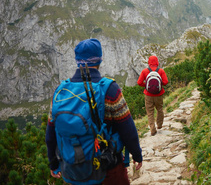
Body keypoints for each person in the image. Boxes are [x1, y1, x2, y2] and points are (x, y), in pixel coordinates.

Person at [45, 38, 143, 184]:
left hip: (73, 169)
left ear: (77, 61)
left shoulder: (60, 92)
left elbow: (51, 134)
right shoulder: (110, 89)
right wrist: (136, 155)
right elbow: (127, 128)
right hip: (108, 167)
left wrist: (53, 164)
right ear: (100, 59)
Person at [137, 55, 169, 136]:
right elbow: (165, 82)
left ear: (149, 62)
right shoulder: (161, 71)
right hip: (159, 94)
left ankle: (152, 129)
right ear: (157, 62)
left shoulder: (145, 71)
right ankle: (159, 125)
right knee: (159, 109)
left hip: (148, 95)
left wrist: (147, 86)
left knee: (150, 112)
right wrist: (158, 86)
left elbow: (139, 82)